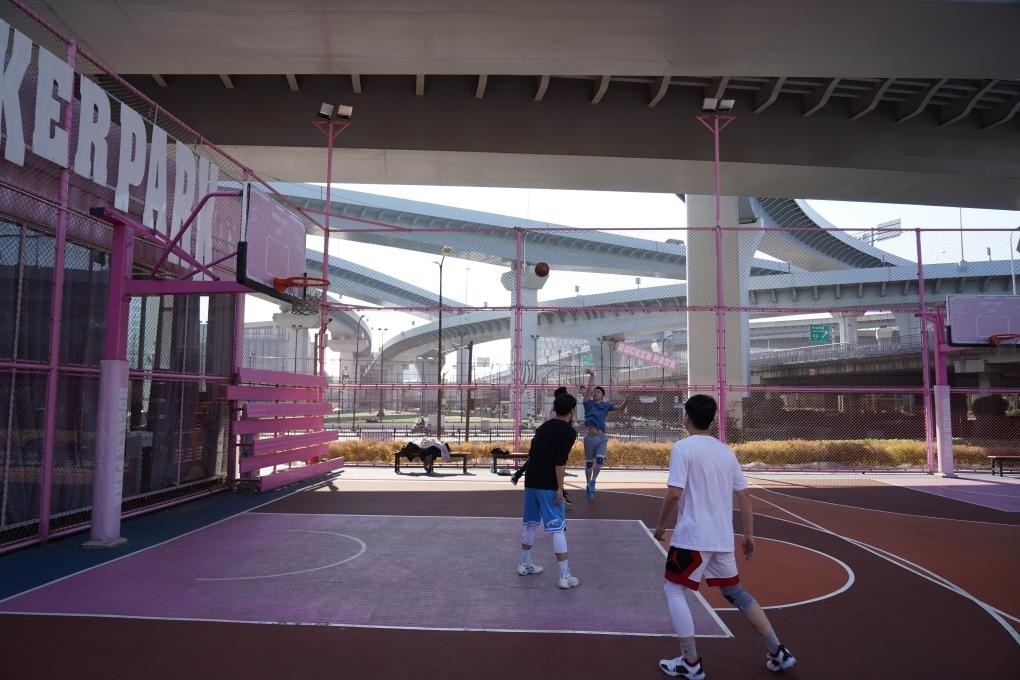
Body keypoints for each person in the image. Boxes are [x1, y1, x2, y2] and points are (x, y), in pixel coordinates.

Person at [653, 394, 796, 679]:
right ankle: (778, 650)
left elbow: (674, 493)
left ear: (686, 417)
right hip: (721, 538)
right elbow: (744, 496)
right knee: (735, 593)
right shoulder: (726, 452)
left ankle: (690, 662)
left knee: (674, 590)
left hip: (693, 537)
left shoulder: (683, 448)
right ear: (711, 419)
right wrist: (749, 535)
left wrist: (660, 526)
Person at [516, 392, 580, 589]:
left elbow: (532, 454)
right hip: (548, 484)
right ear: (572, 411)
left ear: (554, 408)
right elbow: (560, 462)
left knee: (530, 524)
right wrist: (560, 488)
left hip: (531, 481)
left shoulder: (543, 427)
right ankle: (564, 576)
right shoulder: (568, 432)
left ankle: (524, 563)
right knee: (557, 529)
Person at [511, 387, 573, 506]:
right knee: (550, 461)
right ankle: (560, 491)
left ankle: (518, 475)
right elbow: (560, 462)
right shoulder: (559, 414)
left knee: (538, 458)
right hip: (551, 439)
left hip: (547, 439)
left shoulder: (558, 410)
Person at [580, 368, 629, 500]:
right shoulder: (588, 404)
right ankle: (588, 484)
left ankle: (593, 481)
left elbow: (620, 408)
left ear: (602, 395)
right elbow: (588, 391)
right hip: (589, 439)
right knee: (589, 464)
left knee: (600, 460)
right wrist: (592, 376)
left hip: (601, 438)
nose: (595, 393)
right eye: (594, 392)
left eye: (598, 392)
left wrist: (626, 400)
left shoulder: (606, 405)